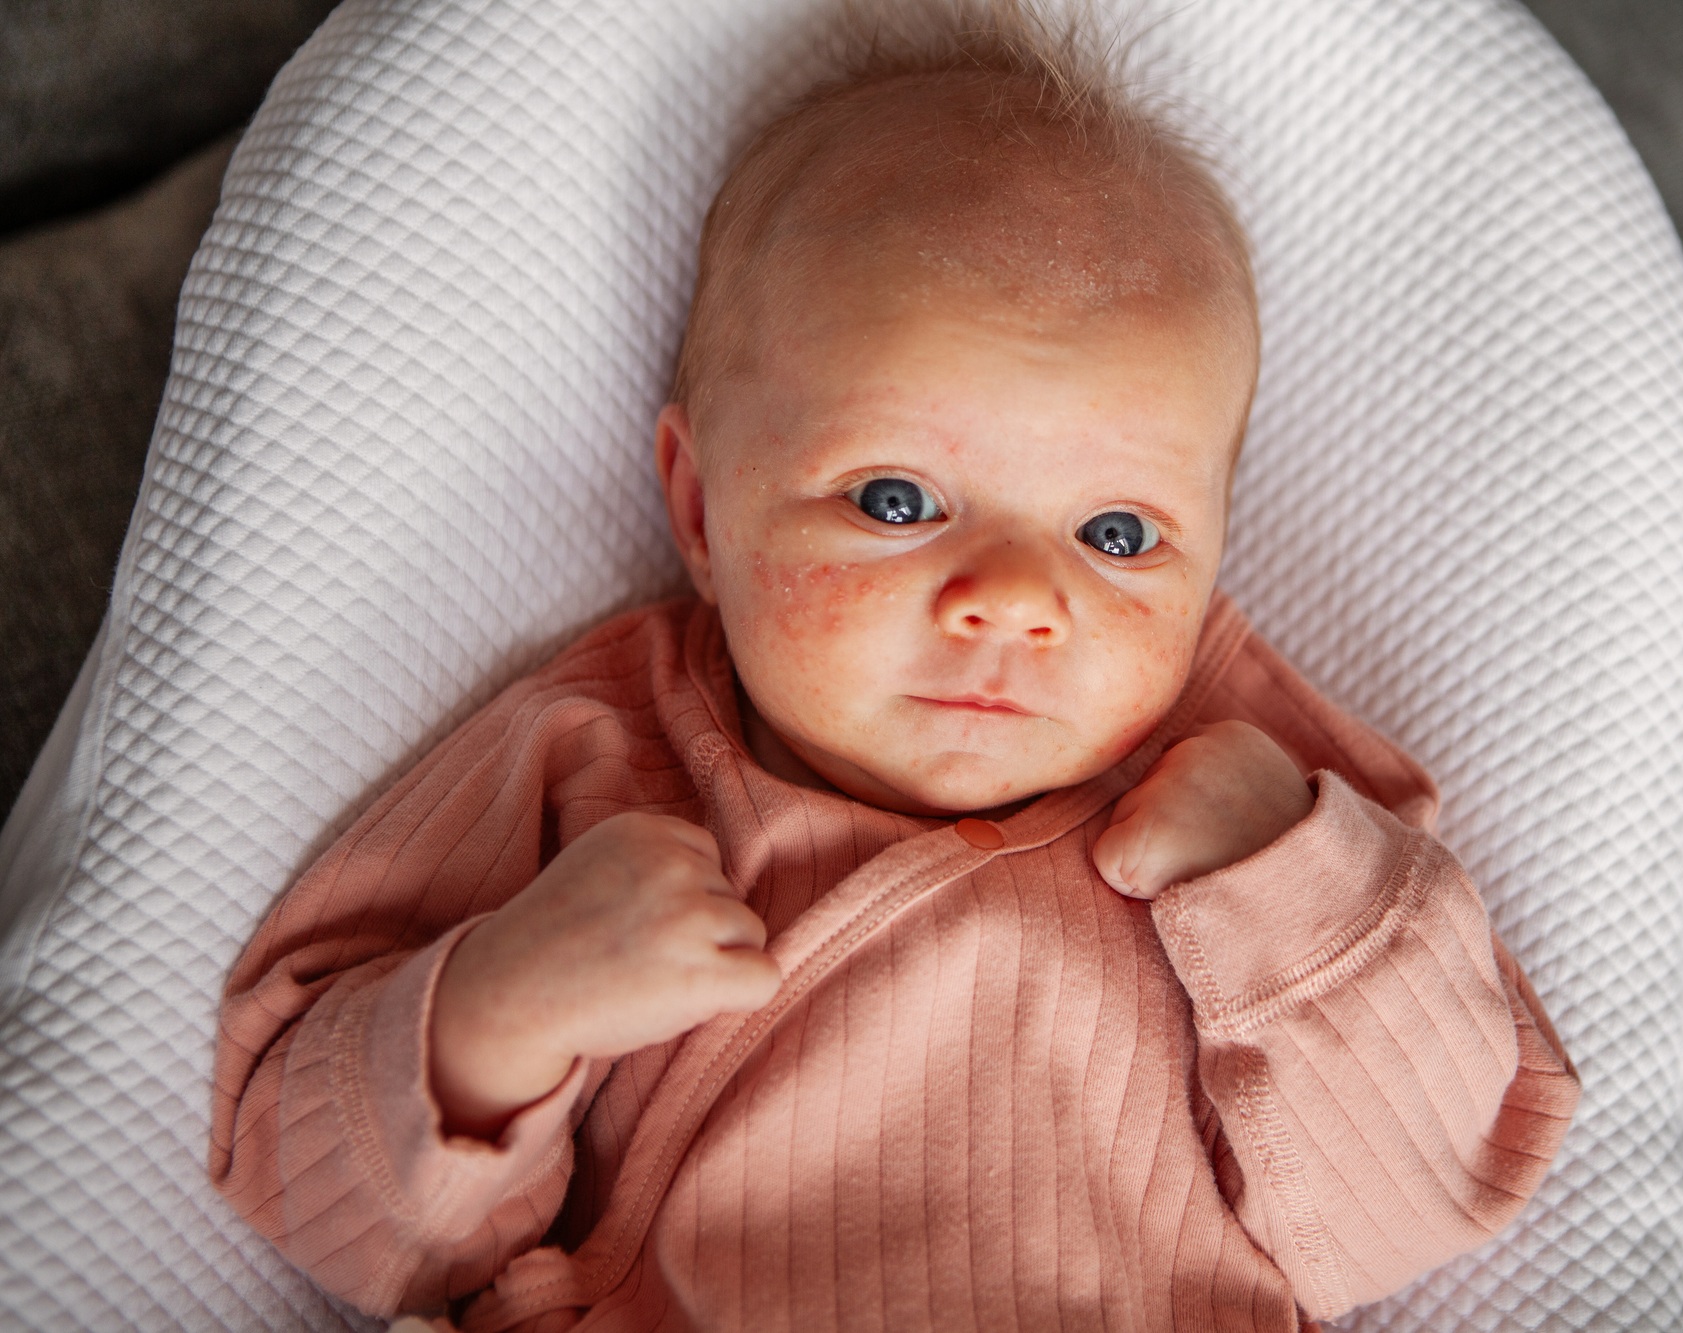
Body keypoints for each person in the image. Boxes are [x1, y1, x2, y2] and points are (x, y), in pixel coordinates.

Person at [210, 7, 1579, 1329]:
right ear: (700, 510)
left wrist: (1296, 886)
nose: (1010, 601)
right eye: (895, 499)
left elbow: (1428, 1189)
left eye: (1116, 534)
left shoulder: (1264, 797)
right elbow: (318, 1185)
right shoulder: (597, 752)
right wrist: (503, 1005)